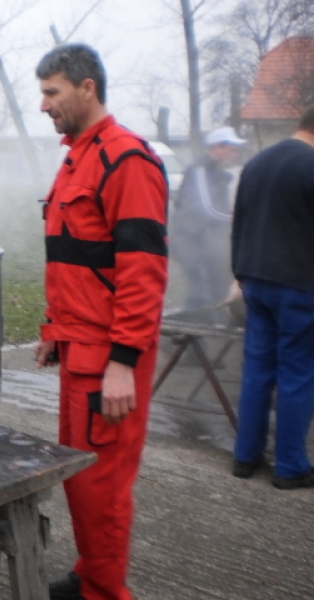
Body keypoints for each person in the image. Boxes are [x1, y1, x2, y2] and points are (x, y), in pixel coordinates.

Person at [33, 44, 169, 600]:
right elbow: (75, 259)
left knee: (104, 486)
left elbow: (143, 271)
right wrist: (53, 330)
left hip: (111, 361)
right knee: (82, 478)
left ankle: (106, 592)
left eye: (52, 92)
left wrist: (124, 362)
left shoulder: (126, 160)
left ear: (87, 88)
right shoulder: (76, 157)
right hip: (80, 351)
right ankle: (93, 573)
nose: (44, 105)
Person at [230, 106, 314, 490]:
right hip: (298, 286)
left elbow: (240, 221)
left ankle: (245, 457)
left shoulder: (257, 163)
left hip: (255, 281)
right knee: (296, 375)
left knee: (258, 370)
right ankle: (290, 467)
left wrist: (240, 273)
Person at [169, 126, 245, 313]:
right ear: (217, 147)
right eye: (231, 148)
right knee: (201, 290)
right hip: (190, 241)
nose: (234, 153)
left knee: (218, 287)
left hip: (207, 242)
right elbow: (207, 209)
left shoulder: (220, 175)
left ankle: (211, 327)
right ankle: (193, 329)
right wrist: (239, 218)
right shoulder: (200, 170)